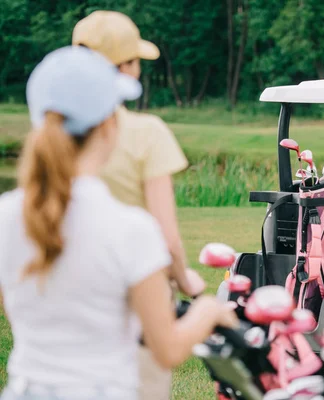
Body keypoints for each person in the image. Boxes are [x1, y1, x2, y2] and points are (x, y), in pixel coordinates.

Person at [0, 46, 237, 400]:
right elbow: (167, 349)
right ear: (109, 126)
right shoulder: (131, 230)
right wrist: (207, 311)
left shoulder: (6, 214)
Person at [71, 11, 205, 398]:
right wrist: (185, 282)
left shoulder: (51, 135)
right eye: (135, 62)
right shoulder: (146, 133)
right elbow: (166, 238)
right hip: (136, 292)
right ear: (126, 68)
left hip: (74, 289)